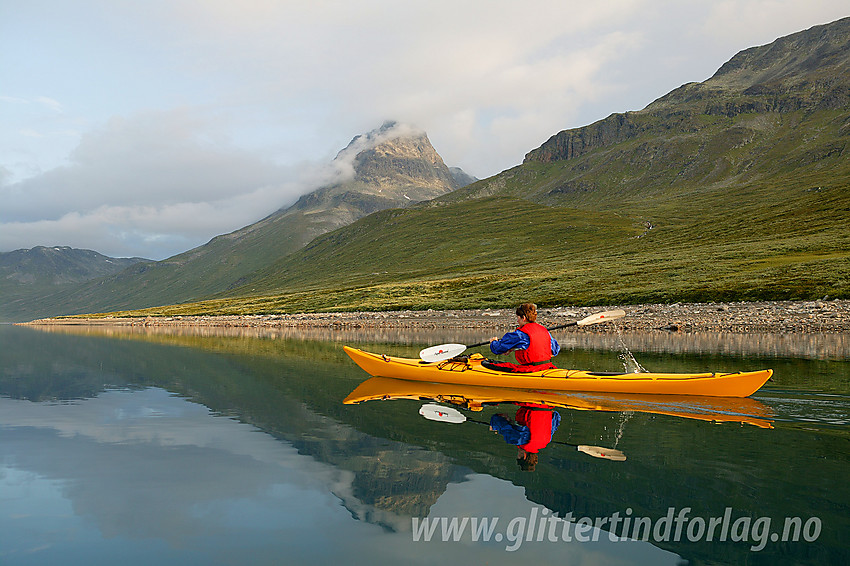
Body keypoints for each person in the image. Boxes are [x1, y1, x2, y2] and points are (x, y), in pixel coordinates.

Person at [486, 303, 560, 372]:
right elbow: (555, 351)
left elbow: (497, 349)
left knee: (490, 365)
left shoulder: (520, 334)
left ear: (523, 318)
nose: (517, 321)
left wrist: (493, 342)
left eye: (518, 318)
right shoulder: (545, 331)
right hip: (548, 367)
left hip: (531, 369)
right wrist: (514, 348)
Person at [489, 403, 561, 472]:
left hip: (547, 406)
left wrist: (512, 423)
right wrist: (494, 426)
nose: (518, 452)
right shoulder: (519, 441)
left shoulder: (546, 441)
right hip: (529, 403)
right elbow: (498, 420)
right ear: (524, 456)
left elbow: (556, 417)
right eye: (518, 455)